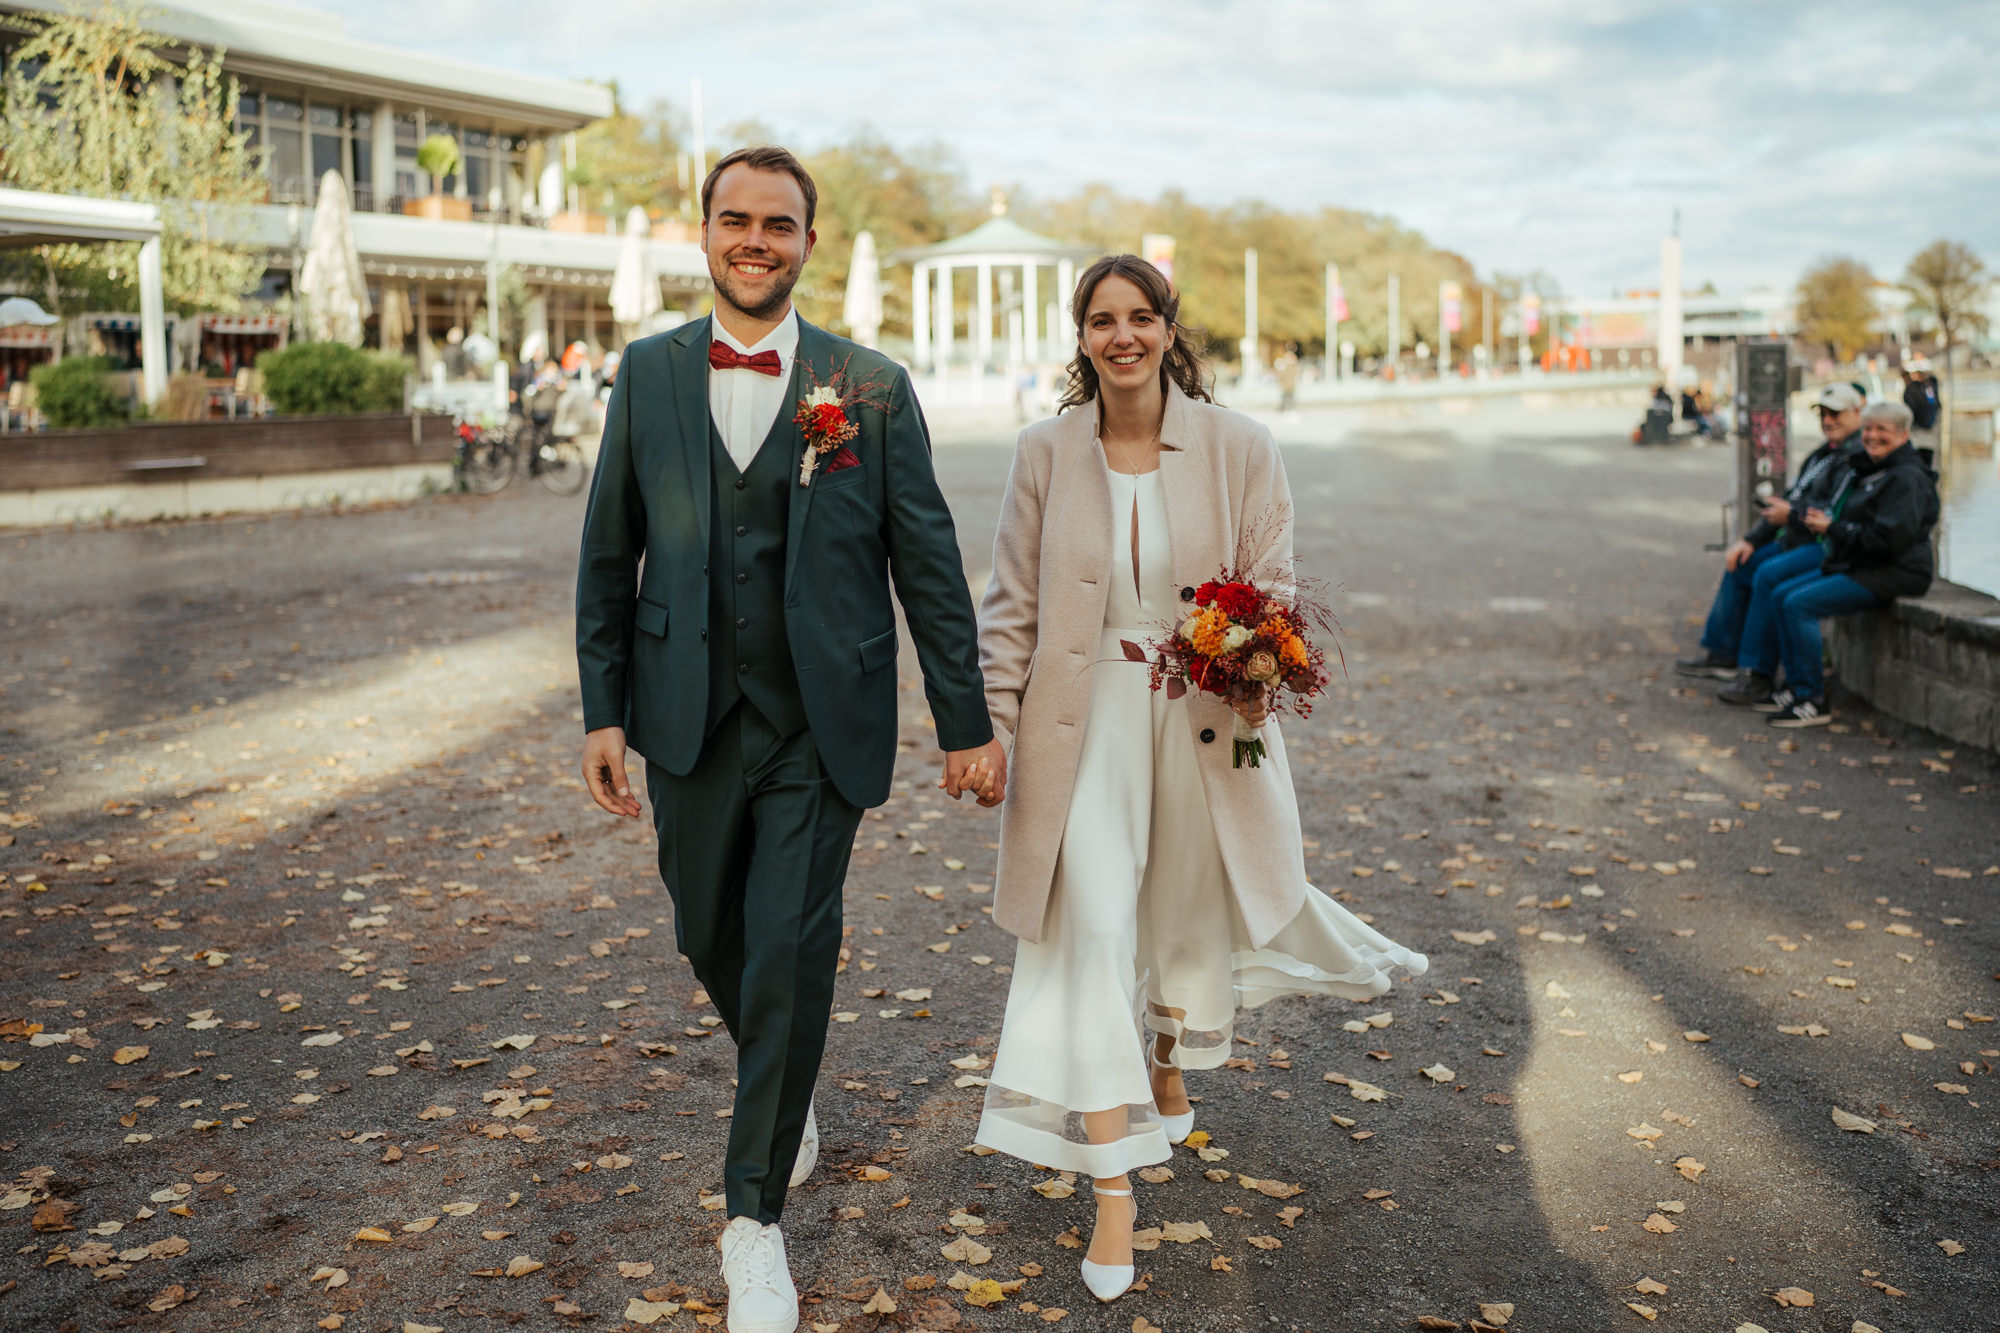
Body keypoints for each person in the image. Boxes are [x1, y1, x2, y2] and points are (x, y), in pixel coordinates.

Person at [573, 145, 1006, 1333]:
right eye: (733, 220)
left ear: (808, 241)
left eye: (778, 222)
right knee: (705, 925)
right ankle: (785, 1077)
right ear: (702, 232)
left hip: (823, 723)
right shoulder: (646, 371)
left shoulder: (867, 385)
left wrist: (963, 723)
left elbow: (925, 563)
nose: (754, 239)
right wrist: (602, 707)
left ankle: (751, 1220)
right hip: (684, 716)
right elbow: (609, 552)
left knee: (791, 948)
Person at [972, 255, 1427, 1304]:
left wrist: (1262, 666)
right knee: (1087, 926)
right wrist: (991, 729)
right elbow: (1010, 607)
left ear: (1168, 327)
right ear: (1078, 337)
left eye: (1139, 317)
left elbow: (1271, 589)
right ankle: (1115, 1189)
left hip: (1202, 718)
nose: (1120, 335)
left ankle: (1169, 1049)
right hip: (1077, 727)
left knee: (1182, 906)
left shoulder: (1240, 446)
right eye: (1100, 320)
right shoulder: (1042, 454)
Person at [1758, 400, 1938, 727]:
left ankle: (1813, 699)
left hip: (1896, 571)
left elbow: (1888, 539)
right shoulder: (1871, 468)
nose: (1871, 435)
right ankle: (1796, 688)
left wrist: (1833, 529)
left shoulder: (1907, 477)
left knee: (1799, 604)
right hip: (1864, 563)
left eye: (1882, 429)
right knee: (1781, 594)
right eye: (1868, 428)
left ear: (1903, 434)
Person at [1679, 382, 1865, 690]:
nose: (1828, 421)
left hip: (1819, 545)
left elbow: (1829, 512)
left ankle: (1758, 673)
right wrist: (1751, 539)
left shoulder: (1854, 458)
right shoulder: (1822, 454)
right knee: (1741, 562)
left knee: (1769, 576)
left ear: (1857, 413)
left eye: (1836, 414)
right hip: (1796, 538)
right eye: (1824, 414)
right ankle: (1723, 653)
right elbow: (1790, 501)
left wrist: (1790, 514)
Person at [1274, 341, 1301, 414]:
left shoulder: (1292, 359)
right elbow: (1282, 372)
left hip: (1290, 382)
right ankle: (1285, 409)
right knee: (1286, 396)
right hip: (1286, 382)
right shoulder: (1285, 358)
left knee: (1290, 396)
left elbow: (1296, 371)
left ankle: (1288, 409)